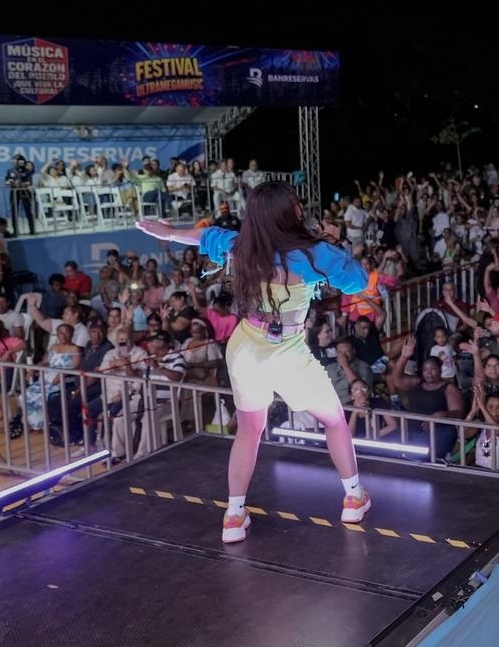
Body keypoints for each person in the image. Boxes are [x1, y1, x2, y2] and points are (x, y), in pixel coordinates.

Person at [135, 181, 370, 544]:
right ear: (291, 211)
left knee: (249, 430)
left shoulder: (242, 245)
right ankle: (354, 497)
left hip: (245, 347)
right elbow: (357, 283)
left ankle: (234, 515)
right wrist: (336, 244)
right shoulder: (315, 253)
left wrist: (167, 232)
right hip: (287, 350)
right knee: (335, 419)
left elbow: (203, 237)